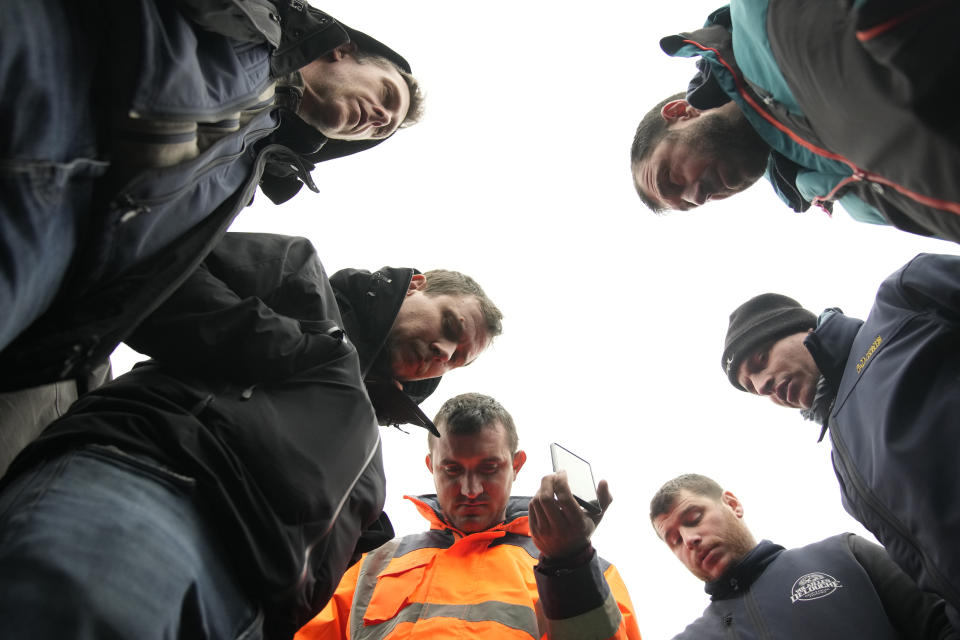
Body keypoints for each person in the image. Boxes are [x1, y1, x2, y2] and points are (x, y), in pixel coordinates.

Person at [0, 233, 500, 639]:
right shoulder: (301, 280)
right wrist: (293, 348)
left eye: (458, 358)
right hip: (157, 492)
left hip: (247, 613)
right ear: (415, 285)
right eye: (450, 325)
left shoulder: (368, 438)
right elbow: (162, 264)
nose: (444, 350)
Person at [0, 0, 424, 391]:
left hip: (38, 249)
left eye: (382, 129)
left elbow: (155, 276)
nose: (380, 118)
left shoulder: (241, 178)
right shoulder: (253, 17)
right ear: (342, 51)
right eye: (387, 95)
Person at [721, 254, 960, 628]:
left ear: (801, 330)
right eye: (753, 388)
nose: (764, 385)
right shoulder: (843, 463)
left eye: (761, 360)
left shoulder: (901, 303)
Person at [297, 392, 641, 640]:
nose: (471, 489)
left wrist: (571, 565)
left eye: (489, 468)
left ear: (516, 465)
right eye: (452, 470)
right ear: (432, 467)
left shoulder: (591, 571)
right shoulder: (372, 566)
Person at [629, 0, 960, 243]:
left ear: (680, 113)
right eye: (690, 205)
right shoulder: (842, 197)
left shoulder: (759, 19)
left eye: (671, 179)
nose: (698, 197)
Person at [650, 473, 959, 639]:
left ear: (732, 504)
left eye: (693, 518)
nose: (689, 540)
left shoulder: (845, 555)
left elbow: (940, 626)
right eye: (674, 540)